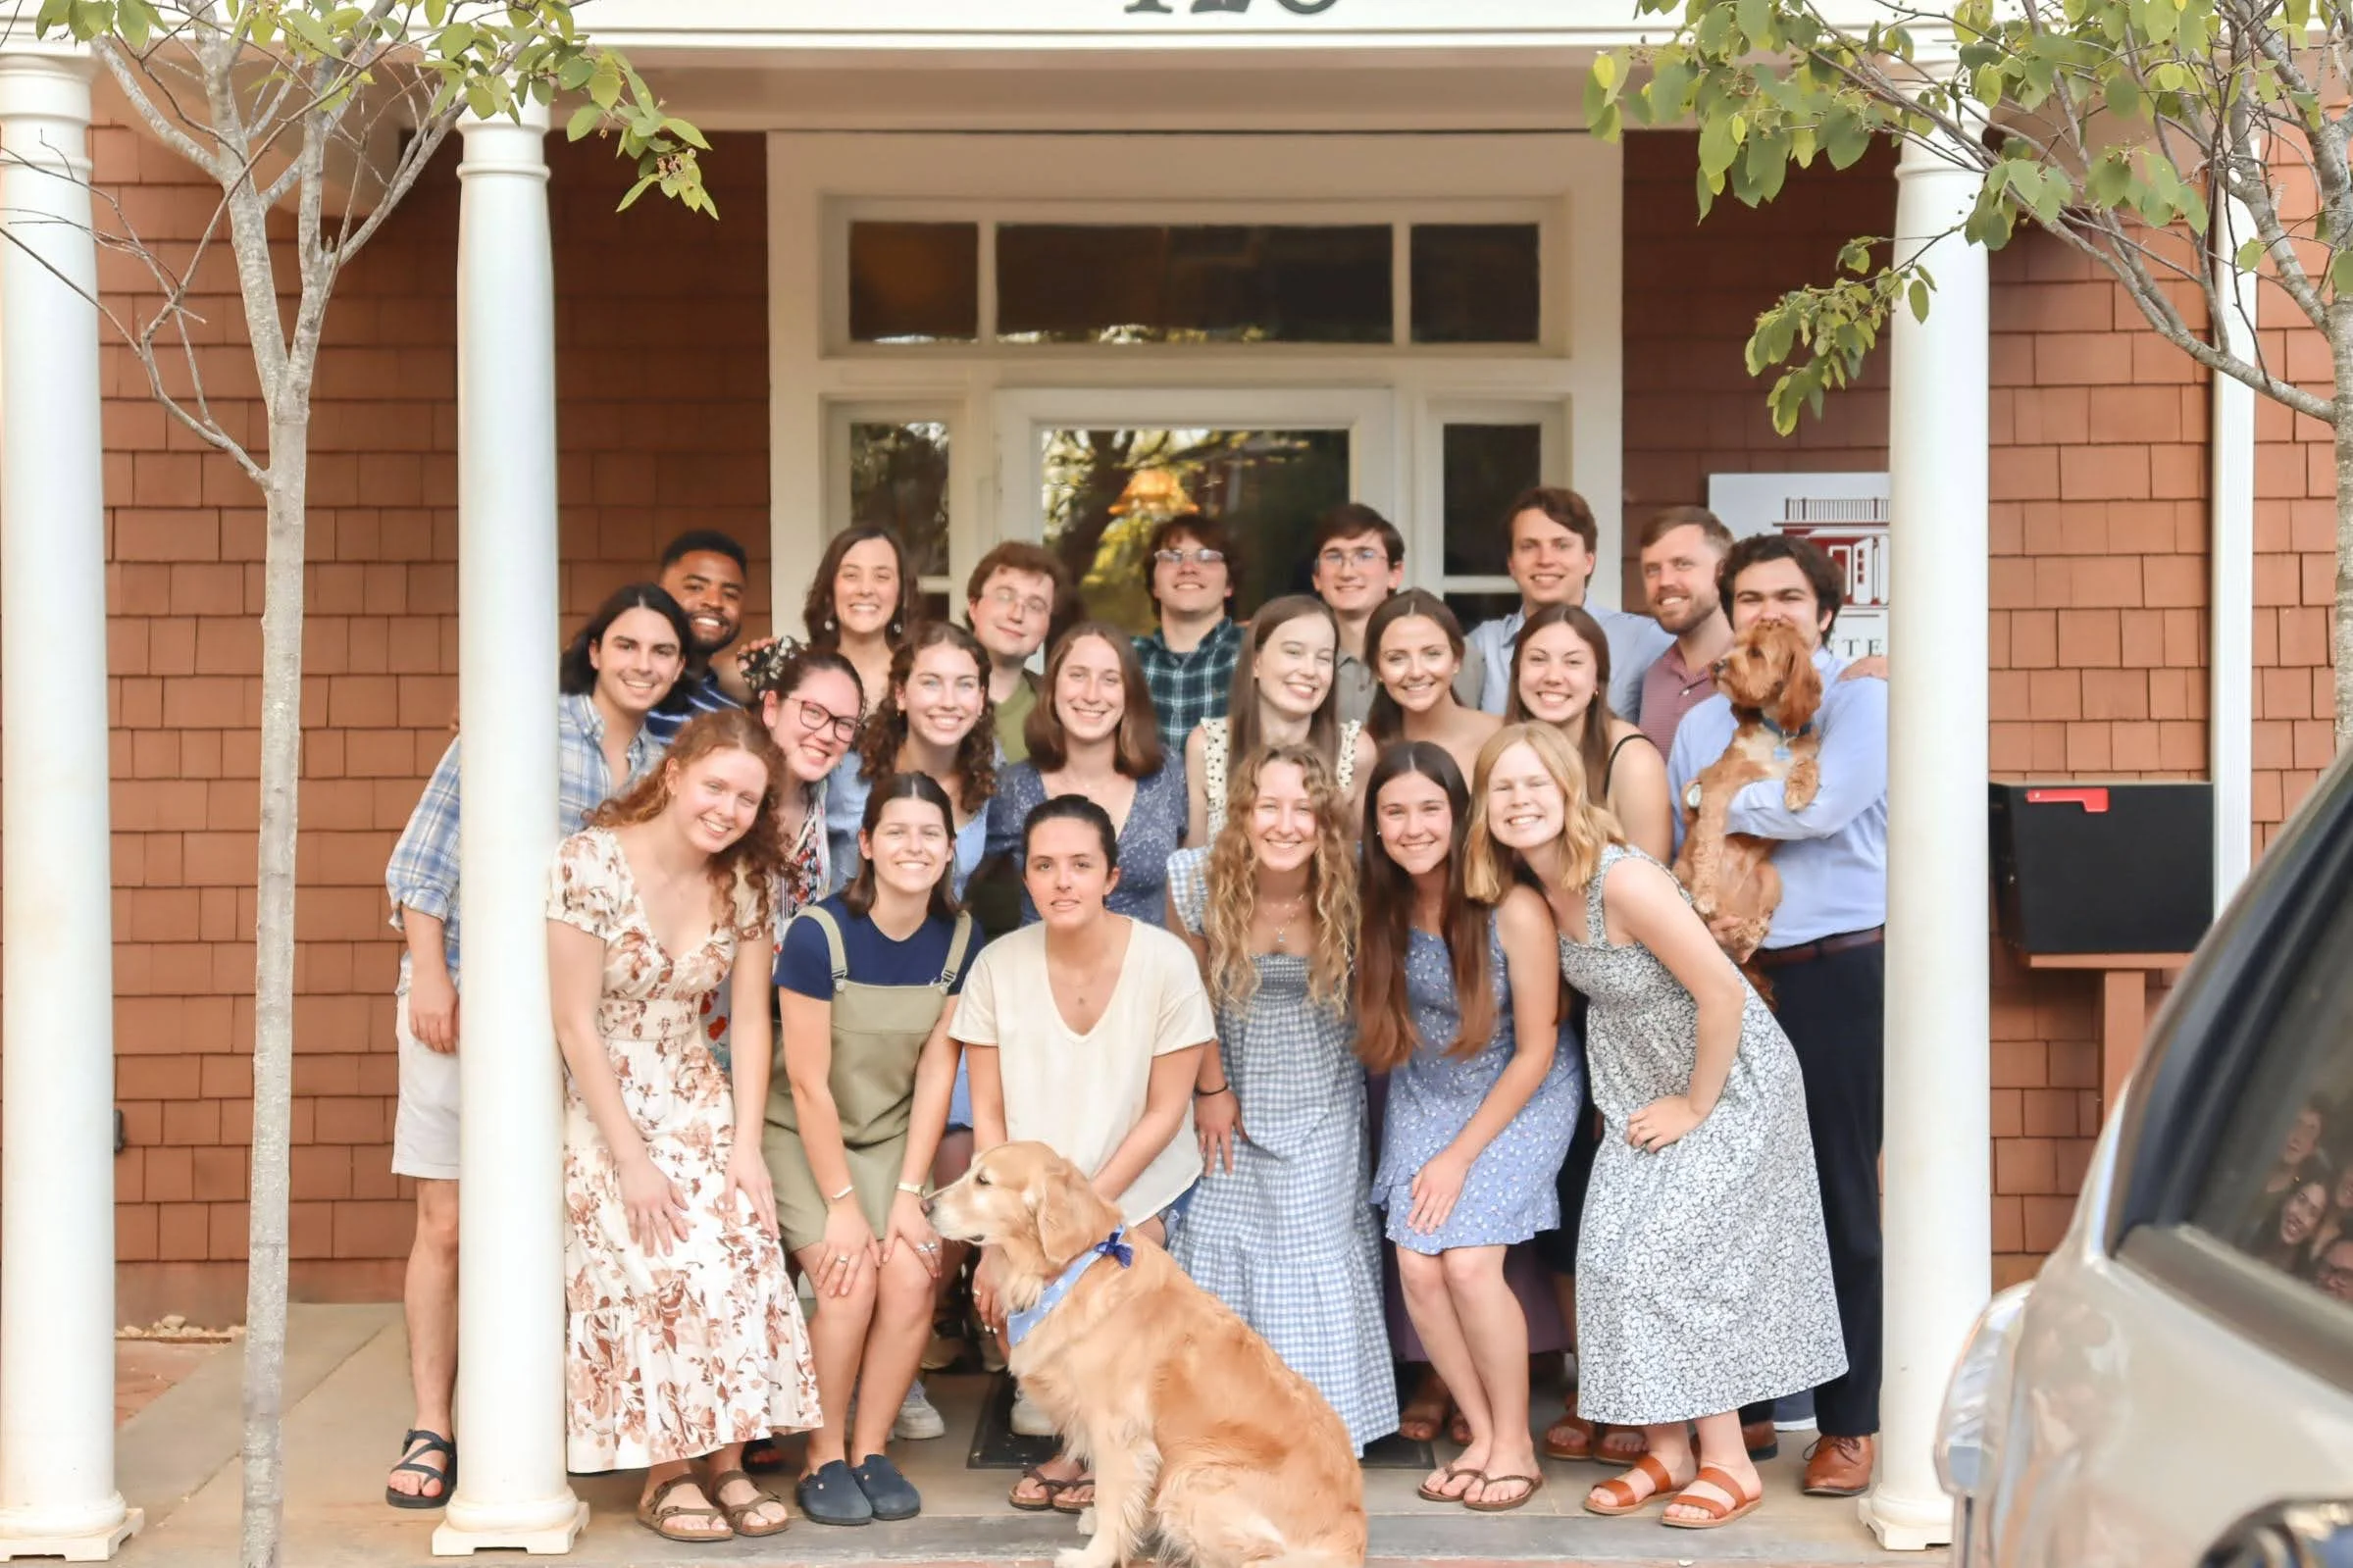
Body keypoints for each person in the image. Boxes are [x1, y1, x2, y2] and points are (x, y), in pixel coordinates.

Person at [1469, 723, 1846, 1529]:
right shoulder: (1539, 892)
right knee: (1605, 1254)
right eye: (1502, 788)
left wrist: (1695, 1107)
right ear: (1484, 809)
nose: (1519, 800)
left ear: (1571, 792)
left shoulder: (1621, 880)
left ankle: (1730, 1463)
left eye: (1535, 783)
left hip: (1729, 1084)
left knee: (1665, 1258)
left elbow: (1721, 992)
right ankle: (1667, 1448)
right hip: (1647, 1087)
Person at [381, 582, 690, 1511]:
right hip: (469, 1001)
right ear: (594, 651)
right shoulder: (514, 727)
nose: (643, 663)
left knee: (558, 1228)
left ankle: (533, 1417)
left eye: (662, 652)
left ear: (678, 669)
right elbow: (421, 860)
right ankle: (434, 1422)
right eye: (626, 644)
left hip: (580, 1026)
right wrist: (431, 976)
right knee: (447, 1221)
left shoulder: (669, 766)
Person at [545, 710, 820, 1543]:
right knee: (658, 1258)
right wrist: (629, 1158)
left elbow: (748, 1020)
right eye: (717, 786)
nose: (729, 809)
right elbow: (574, 1023)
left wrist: (744, 1147)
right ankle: (666, 1473)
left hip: (696, 1087)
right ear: (675, 774)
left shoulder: (743, 880)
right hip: (603, 1097)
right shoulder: (586, 864)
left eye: (748, 798)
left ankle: (728, 1460)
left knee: (741, 1244)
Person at [1665, 531, 1887, 1497]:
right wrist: (1705, 808)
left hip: (1836, 972)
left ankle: (1847, 1420)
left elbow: (1823, 807)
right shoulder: (1698, 721)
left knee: (1840, 1196)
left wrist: (1716, 804)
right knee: (1732, 1196)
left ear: (1826, 613)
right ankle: (1747, 1401)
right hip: (1728, 978)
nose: (1766, 611)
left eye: (1787, 596)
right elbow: (1683, 823)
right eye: (1748, 596)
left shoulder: (1862, 697)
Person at [957, 794, 1216, 1515]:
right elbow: (989, 1114)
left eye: (1080, 864)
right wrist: (996, 1237)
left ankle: (1100, 1452)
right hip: (1028, 1197)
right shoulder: (996, 966)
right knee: (1005, 1293)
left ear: (1110, 875)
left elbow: (1167, 1110)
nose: (1061, 880)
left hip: (1137, 1183)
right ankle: (1082, 1437)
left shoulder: (1164, 961)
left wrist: (1085, 1220)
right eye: (1044, 865)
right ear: (1027, 878)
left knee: (1113, 1278)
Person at [1357, 742, 1582, 1512]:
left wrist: (1457, 1156)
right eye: (1394, 811)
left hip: (1521, 1087)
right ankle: (1482, 1432)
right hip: (1430, 1086)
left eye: (1430, 807)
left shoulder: (1509, 906)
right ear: (1376, 825)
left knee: (1468, 1265)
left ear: (1459, 816)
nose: (1413, 825)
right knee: (1417, 1266)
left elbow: (1539, 1043)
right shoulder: (1381, 903)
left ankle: (1515, 1442)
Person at [1167, 744, 1399, 1455]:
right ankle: (1223, 1422)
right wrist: (1211, 1089)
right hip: (1227, 1078)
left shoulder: (1356, 881)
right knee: (1220, 1232)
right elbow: (1187, 999)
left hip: (1324, 1089)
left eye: (1303, 807)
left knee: (1312, 1240)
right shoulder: (1195, 879)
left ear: (1326, 820)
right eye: (1269, 804)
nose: (1286, 822)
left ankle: (1318, 1431)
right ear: (1242, 811)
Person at [767, 773, 976, 1526]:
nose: (912, 846)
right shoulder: (817, 934)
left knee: (914, 1274)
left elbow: (933, 1071)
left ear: (950, 849)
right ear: (865, 843)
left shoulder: (958, 936)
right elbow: (808, 1081)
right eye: (896, 831)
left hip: (891, 1135)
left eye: (929, 833)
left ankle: (870, 1447)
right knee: (848, 1279)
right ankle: (822, 1454)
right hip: (801, 1132)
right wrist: (843, 1205)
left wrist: (913, 1192)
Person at [699, 642, 866, 1077]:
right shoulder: (726, 796)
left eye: (844, 724)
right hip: (702, 1027)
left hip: (784, 1029)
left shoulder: (829, 803)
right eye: (812, 712)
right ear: (771, 707)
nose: (826, 733)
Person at [988, 622, 1188, 925]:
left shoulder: (1167, 772)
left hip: (1146, 968)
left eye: (1110, 679)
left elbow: (1191, 891)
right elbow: (960, 884)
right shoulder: (1014, 786)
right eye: (1078, 676)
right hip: (1042, 966)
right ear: (1053, 685)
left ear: (1129, 693)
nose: (1092, 695)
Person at [1458, 486, 1671, 724]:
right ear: (1511, 564)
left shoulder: (1641, 640)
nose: (1545, 560)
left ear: (1589, 561)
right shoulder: (1484, 645)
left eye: (1561, 545)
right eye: (1529, 546)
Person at [1184, 594, 1374, 844]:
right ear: (1256, 662)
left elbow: (1363, 867)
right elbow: (1191, 866)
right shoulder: (1207, 744)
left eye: (1324, 658)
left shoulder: (1356, 750)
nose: (1310, 670)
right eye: (1294, 652)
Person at [828, 622, 997, 898]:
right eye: (931, 682)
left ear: (980, 700)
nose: (949, 701)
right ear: (900, 694)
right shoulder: (847, 774)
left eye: (965, 685)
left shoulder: (986, 772)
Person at [1507, 604, 1673, 863]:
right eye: (1538, 659)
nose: (1553, 676)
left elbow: (1654, 887)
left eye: (1573, 662)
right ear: (1517, 673)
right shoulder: (1504, 748)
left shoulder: (1633, 760)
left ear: (1597, 679)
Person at [1133, 514, 1246, 754]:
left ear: (1229, 585)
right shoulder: (1124, 661)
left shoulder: (1258, 655)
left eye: (1206, 557)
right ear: (1154, 585)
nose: (1188, 568)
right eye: (1172, 557)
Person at [1364, 589, 1502, 783]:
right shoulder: (1362, 749)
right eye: (1396, 658)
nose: (1416, 672)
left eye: (1432, 654)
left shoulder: (1501, 736)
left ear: (1456, 660)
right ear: (1377, 669)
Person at [1635, 507, 1739, 760]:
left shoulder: (1761, 671)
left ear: (1723, 572)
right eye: (1652, 569)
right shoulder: (1655, 675)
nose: (1664, 581)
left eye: (1682, 564)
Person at [964, 540, 1070, 766]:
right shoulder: (930, 696)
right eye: (1004, 596)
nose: (1017, 614)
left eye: (1035, 606)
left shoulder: (1061, 711)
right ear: (974, 607)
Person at [644, 530, 753, 746]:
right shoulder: (628, 684)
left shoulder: (732, 717)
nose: (714, 602)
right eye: (695, 587)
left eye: (730, 594)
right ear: (660, 594)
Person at [804, 525, 917, 725]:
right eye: (851, 575)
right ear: (830, 590)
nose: (865, 589)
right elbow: (728, 676)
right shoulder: (794, 666)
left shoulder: (918, 674)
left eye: (881, 577)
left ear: (900, 594)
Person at [1308, 503, 1405, 728]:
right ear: (1316, 577)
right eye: (1333, 557)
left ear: (1395, 573)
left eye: (1365, 555)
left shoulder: (1438, 657)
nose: (1347, 572)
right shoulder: (1301, 661)